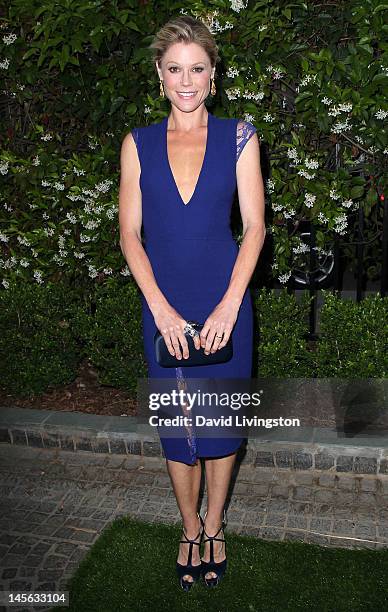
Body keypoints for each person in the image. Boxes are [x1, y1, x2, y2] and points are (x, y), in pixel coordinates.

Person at [119, 15, 265, 591]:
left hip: (225, 298)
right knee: (178, 425)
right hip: (164, 302)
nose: (187, 80)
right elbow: (130, 234)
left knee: (222, 425)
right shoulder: (137, 144)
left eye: (197, 69)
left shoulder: (240, 137)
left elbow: (254, 228)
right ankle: (187, 526)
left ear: (213, 75)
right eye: (175, 69)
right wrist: (159, 307)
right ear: (159, 75)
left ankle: (215, 522)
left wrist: (231, 305)